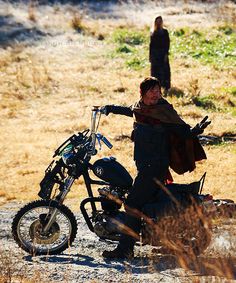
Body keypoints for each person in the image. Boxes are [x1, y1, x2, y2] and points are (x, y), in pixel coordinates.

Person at [101, 77, 210, 260]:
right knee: (142, 203)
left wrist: (196, 130)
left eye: (158, 91)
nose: (156, 95)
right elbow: (129, 110)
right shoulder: (140, 108)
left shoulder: (163, 112)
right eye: (152, 91)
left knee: (131, 205)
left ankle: (125, 249)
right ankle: (161, 239)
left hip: (155, 168)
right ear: (142, 93)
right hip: (145, 167)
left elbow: (182, 130)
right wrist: (109, 108)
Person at [149, 16, 171, 95]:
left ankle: (166, 88)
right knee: (155, 73)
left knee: (164, 72)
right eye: (157, 21)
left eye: (160, 21)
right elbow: (151, 45)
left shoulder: (165, 32)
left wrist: (166, 54)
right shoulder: (152, 32)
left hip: (162, 54)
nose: (158, 23)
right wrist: (150, 57)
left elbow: (167, 44)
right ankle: (155, 89)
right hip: (155, 55)